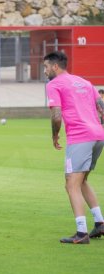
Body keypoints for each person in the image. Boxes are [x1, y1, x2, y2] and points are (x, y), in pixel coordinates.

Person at [44, 51, 104, 244]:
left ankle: (81, 233)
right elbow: (101, 106)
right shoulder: (84, 82)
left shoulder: (54, 84)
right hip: (98, 135)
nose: (44, 71)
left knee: (71, 184)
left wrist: (55, 134)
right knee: (82, 180)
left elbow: (56, 114)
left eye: (45, 67)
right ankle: (100, 223)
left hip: (80, 137)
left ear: (55, 66)